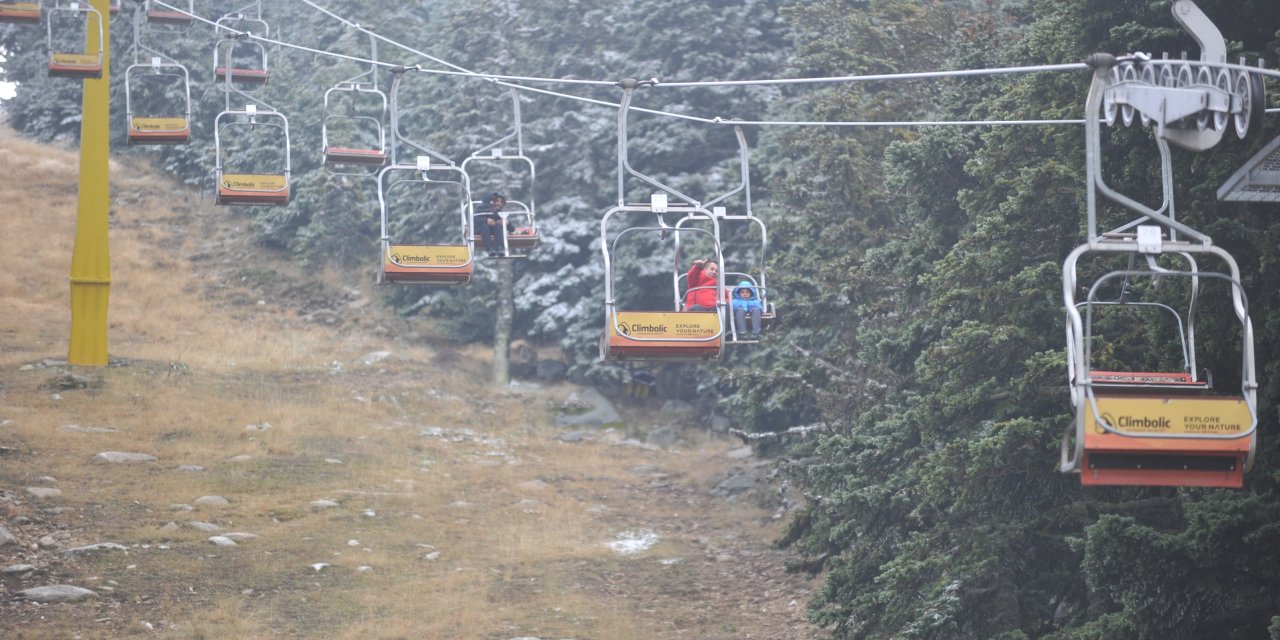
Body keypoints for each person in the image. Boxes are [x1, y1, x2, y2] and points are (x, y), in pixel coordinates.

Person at [477, 192, 506, 257]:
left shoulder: (496, 210)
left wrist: (506, 222)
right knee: (485, 227)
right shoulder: (480, 207)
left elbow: (510, 227)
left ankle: (500, 248)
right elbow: (476, 219)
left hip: (492, 229)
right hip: (481, 228)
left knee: (496, 226)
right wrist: (486, 220)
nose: (494, 203)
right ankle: (490, 249)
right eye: (493, 200)